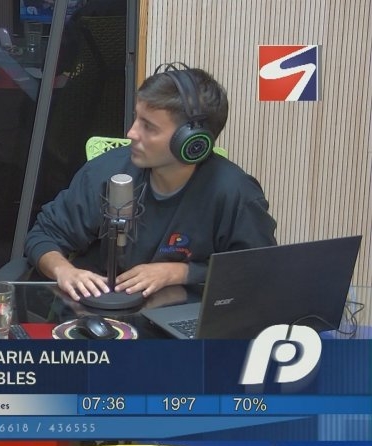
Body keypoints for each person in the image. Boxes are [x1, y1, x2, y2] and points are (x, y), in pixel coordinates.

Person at [24, 64, 277, 301]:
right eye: (137, 119)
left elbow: (257, 271)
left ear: (192, 142)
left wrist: (179, 272)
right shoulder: (107, 171)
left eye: (148, 127)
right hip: (107, 312)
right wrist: (64, 270)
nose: (131, 133)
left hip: (186, 317)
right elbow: (44, 235)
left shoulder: (235, 194)